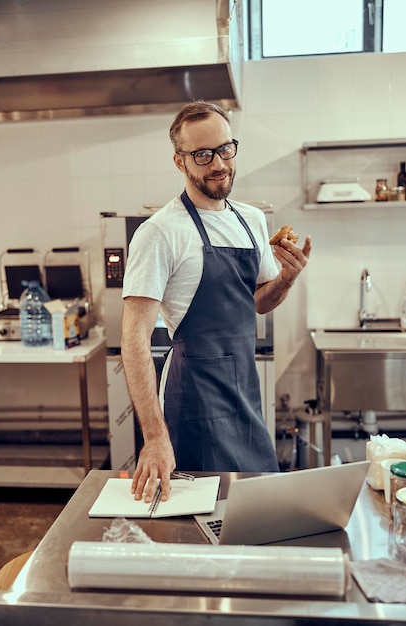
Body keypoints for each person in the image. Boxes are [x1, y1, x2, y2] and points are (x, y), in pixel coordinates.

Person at [121, 101, 311, 503]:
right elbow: (134, 340)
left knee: (258, 509)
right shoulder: (160, 232)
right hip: (194, 398)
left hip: (245, 390)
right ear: (180, 162)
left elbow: (259, 301)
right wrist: (154, 437)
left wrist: (287, 279)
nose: (219, 163)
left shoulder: (252, 220)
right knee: (200, 521)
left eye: (226, 149)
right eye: (203, 154)